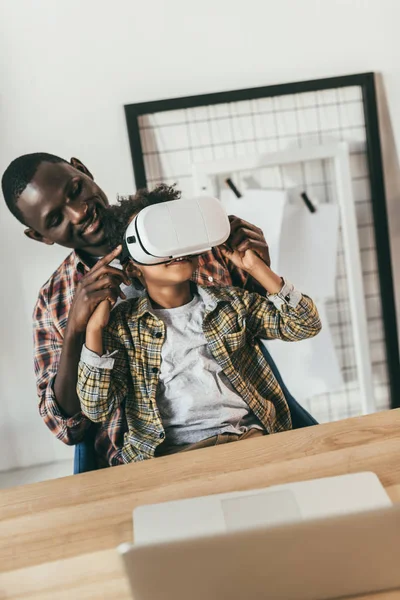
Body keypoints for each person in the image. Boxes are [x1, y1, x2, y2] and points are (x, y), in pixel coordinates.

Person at [1, 152, 316, 468]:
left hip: (244, 435)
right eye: (55, 219)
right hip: (147, 463)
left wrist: (261, 269)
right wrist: (77, 331)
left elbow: (264, 332)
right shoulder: (54, 299)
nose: (78, 212)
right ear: (40, 236)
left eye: (75, 190)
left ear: (83, 171)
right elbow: (70, 428)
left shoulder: (193, 238)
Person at [76, 186, 321, 465]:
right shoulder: (123, 328)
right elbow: (96, 408)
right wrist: (94, 330)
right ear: (132, 268)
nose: (174, 248)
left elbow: (305, 324)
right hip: (172, 457)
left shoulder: (232, 305)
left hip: (248, 441)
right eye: (159, 239)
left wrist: (256, 268)